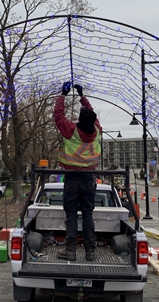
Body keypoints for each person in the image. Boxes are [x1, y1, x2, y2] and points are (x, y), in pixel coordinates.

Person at [53, 81, 102, 261]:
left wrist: (63, 95)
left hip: (73, 178)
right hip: (89, 178)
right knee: (88, 213)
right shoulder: (97, 131)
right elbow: (92, 115)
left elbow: (58, 116)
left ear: (80, 121)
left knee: (71, 213)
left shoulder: (72, 131)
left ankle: (71, 250)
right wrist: (82, 96)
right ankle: (90, 251)